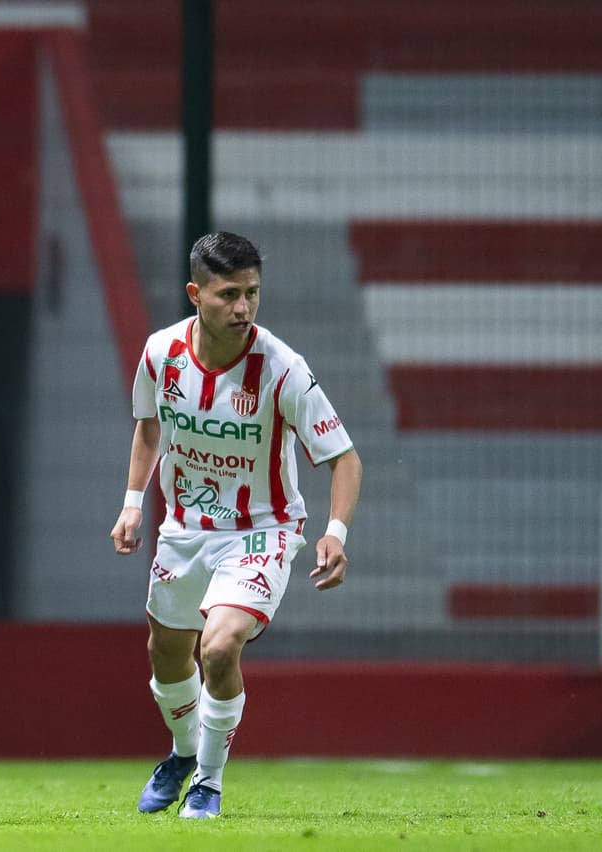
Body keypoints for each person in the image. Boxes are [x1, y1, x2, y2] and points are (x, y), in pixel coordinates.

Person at [110, 231, 361, 820]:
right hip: (185, 527)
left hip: (262, 530)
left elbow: (344, 458)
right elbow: (150, 427)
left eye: (252, 293)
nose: (243, 308)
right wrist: (130, 502)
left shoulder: (281, 368)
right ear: (195, 293)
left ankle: (208, 783)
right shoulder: (160, 353)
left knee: (219, 648)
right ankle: (182, 751)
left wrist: (335, 532)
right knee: (167, 652)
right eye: (228, 295)